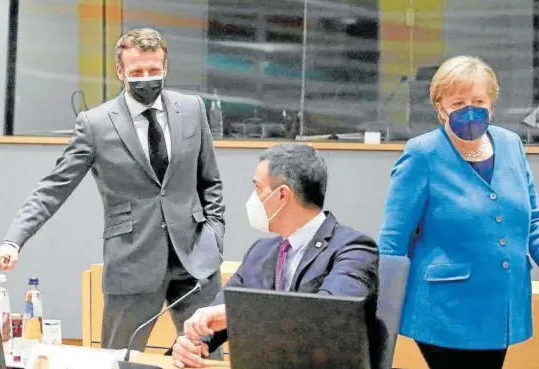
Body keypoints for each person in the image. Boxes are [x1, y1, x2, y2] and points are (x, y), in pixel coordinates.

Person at [0, 28, 225, 351]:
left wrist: (215, 235)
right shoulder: (95, 124)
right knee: (119, 359)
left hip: (196, 258)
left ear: (165, 67)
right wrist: (13, 240)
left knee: (208, 357)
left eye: (154, 71)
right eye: (137, 72)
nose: (147, 78)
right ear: (120, 72)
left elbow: (210, 181)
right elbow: (53, 187)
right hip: (132, 262)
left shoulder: (193, 109)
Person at [378, 55, 539, 369]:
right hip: (445, 313)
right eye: (458, 102)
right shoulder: (422, 153)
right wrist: (382, 315)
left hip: (502, 308)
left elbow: (533, 219)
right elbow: (393, 240)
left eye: (479, 100)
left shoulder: (510, 145)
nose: (470, 109)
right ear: (440, 106)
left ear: (492, 104)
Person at [170, 143, 380, 368]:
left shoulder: (354, 249)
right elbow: (220, 315)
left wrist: (239, 314)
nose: (253, 198)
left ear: (282, 195)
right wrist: (191, 341)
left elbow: (328, 318)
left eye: (258, 188)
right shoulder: (260, 252)